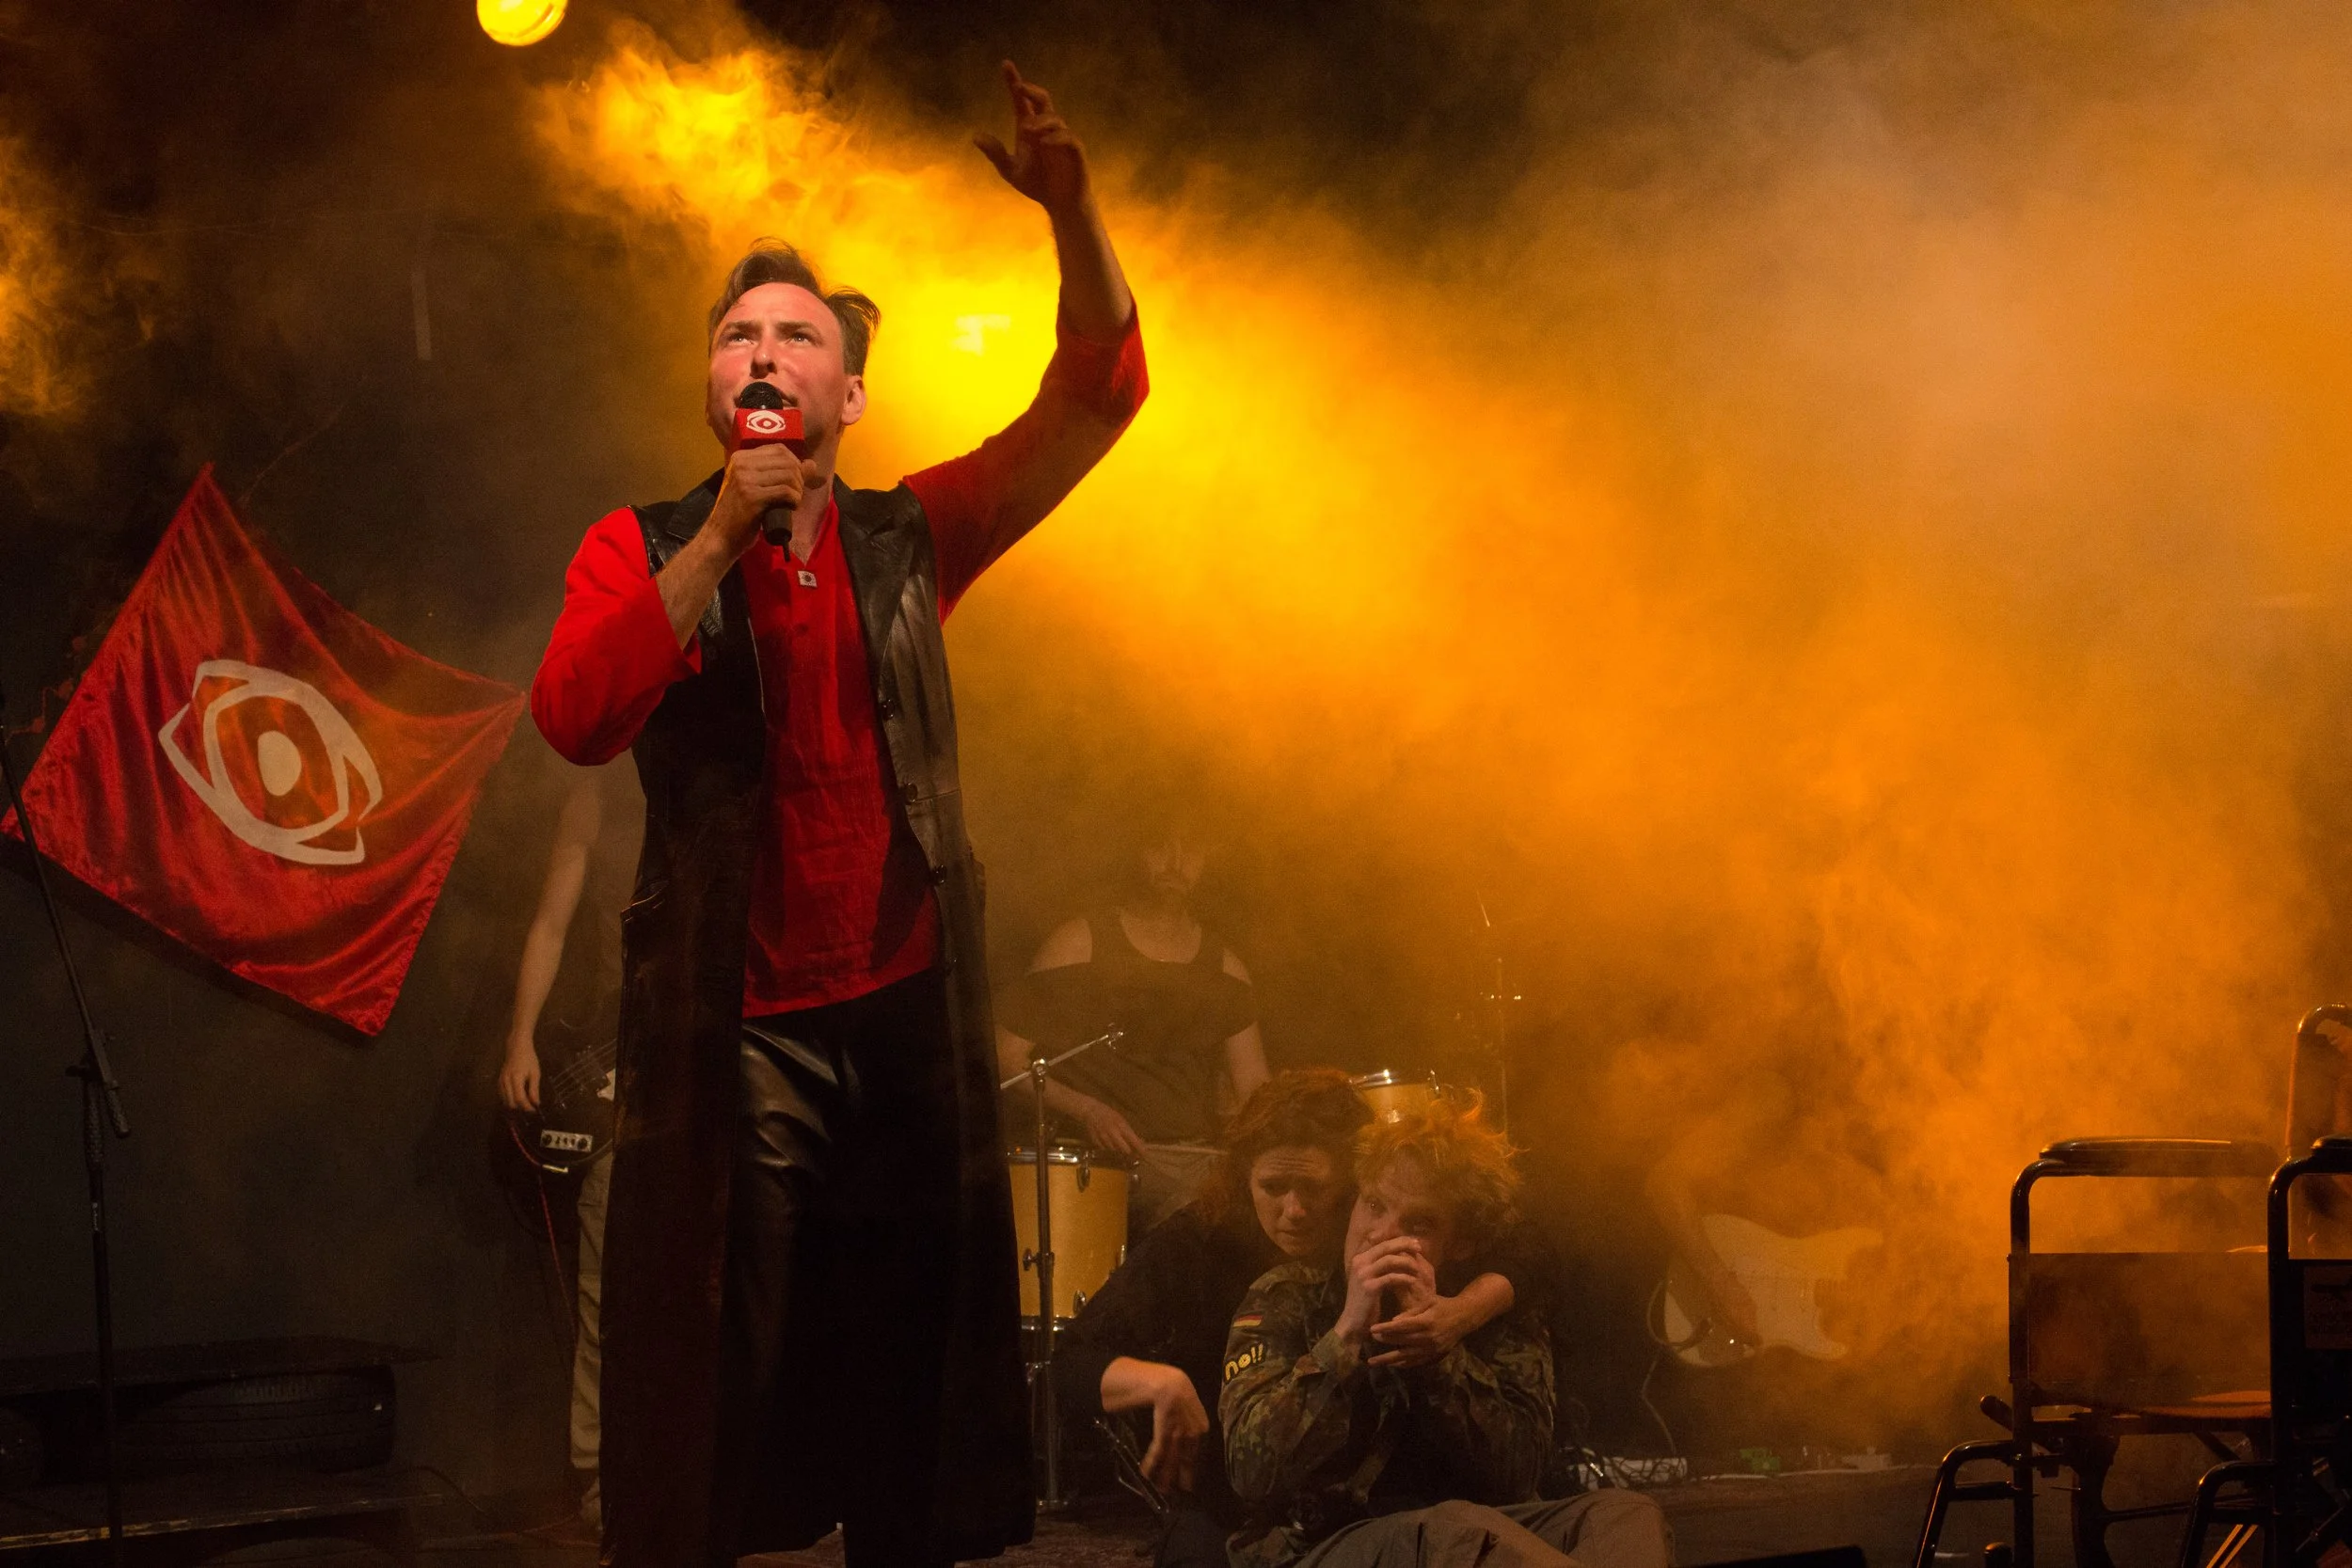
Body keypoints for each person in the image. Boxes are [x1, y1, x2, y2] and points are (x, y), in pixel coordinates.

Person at [529, 62, 1145, 1568]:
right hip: (741, 1025)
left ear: (848, 395)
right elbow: (575, 714)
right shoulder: (645, 541)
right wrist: (720, 537)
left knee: (905, 1375)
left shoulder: (909, 536)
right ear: (713, 386)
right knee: (721, 1370)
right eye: (738, 334)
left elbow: (1098, 396)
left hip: (904, 1011)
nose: (763, 349)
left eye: (797, 334)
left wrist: (1073, 214)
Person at [1057, 1070, 1555, 1568]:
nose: (1293, 1210)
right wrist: (1162, 1382)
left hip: (1390, 1504)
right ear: (1245, 1180)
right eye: (1273, 1187)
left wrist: (1458, 1316)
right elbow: (1073, 1356)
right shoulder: (1202, 1242)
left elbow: (1531, 1247)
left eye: (1313, 1188)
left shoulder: (1391, 1227)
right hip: (1244, 1498)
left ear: (1349, 1185)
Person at [1221, 1101, 1674, 1568]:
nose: (1382, 1235)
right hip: (1323, 1543)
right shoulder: (1286, 1295)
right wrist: (1345, 1337)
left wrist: (1439, 1357)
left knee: (1623, 1514)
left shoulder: (1494, 1312)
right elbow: (1249, 1473)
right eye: (1374, 1205)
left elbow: (1518, 1475)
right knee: (1450, 1527)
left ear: (1461, 1243)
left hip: (1481, 1534)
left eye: (1418, 1224)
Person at [494, 761, 641, 1536]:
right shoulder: (600, 793)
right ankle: (597, 1473)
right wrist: (521, 1036)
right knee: (605, 1287)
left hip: (715, 1067)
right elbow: (551, 923)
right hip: (622, 1075)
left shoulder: (734, 781)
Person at [997, 818, 1269, 1228]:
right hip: (1092, 1168)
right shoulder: (1080, 944)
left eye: (1191, 849)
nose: (1176, 862)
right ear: (1135, 852)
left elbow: (1256, 1094)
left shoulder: (1225, 968)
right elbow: (1005, 1059)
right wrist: (1088, 1110)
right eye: (1161, 846)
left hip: (1189, 1170)